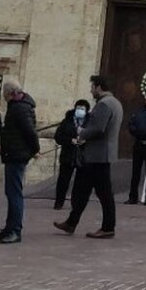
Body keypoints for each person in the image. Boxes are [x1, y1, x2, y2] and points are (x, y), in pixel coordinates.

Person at [54, 74, 123, 239]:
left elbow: (98, 128)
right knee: (82, 190)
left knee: (104, 193)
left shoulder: (104, 104)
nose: (91, 90)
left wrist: (81, 132)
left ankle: (108, 227)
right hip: (98, 155)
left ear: (98, 87)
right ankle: (71, 222)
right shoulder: (115, 103)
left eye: (92, 87)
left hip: (98, 155)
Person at [0, 78, 40, 244]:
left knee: (14, 193)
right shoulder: (18, 106)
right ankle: (9, 227)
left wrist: (35, 150)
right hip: (13, 153)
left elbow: (30, 132)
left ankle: (15, 230)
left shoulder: (19, 108)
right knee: (11, 192)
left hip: (17, 155)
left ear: (10, 93)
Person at [53, 99, 91, 210]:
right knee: (63, 180)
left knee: (79, 182)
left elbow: (94, 136)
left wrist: (85, 141)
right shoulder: (67, 121)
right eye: (78, 108)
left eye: (82, 109)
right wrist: (70, 140)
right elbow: (58, 136)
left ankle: (76, 203)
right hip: (68, 154)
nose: (80, 110)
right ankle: (59, 202)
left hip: (83, 155)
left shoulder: (90, 122)